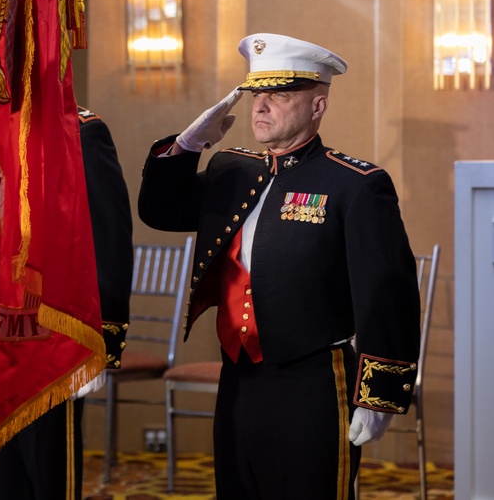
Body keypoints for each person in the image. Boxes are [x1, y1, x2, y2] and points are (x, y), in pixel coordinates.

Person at [137, 33, 421, 499]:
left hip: (312, 380)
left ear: (318, 106)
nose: (262, 106)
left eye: (281, 95)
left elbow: (386, 290)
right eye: (257, 94)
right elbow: (160, 211)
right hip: (239, 374)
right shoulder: (232, 171)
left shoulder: (354, 184)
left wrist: (380, 395)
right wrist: (188, 147)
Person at [0, 106, 134, 500]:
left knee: (47, 477)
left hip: (54, 337)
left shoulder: (80, 132)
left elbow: (109, 236)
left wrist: (102, 338)